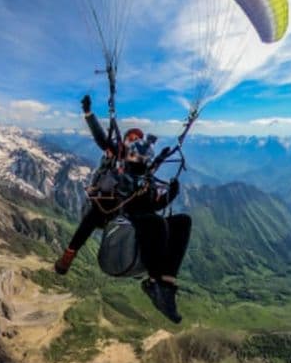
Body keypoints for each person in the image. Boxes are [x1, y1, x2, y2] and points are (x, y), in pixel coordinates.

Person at [54, 95, 192, 323]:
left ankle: (166, 285)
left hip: (138, 217)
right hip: (113, 211)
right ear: (125, 142)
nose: (135, 141)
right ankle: (69, 255)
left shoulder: (145, 174)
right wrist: (88, 113)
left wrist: (171, 194)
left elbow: (154, 205)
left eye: (138, 139)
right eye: (131, 138)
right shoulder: (116, 155)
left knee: (183, 222)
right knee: (99, 214)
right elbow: (101, 137)